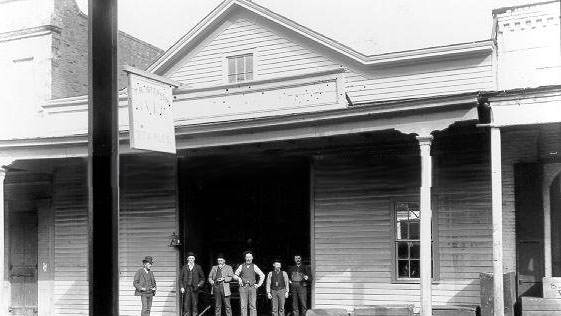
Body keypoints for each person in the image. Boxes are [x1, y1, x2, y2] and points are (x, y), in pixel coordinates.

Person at [234, 250, 265, 316]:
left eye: (250, 257)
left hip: (252, 287)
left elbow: (262, 275)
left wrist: (259, 284)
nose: (248, 259)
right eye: (247, 257)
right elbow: (235, 275)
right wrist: (239, 278)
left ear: (252, 258)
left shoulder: (254, 266)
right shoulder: (241, 266)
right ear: (245, 258)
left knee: (253, 306)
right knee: (243, 306)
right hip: (243, 288)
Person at [180, 252, 205, 316]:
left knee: (195, 304)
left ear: (194, 259)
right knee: (186, 304)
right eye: (190, 258)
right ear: (187, 259)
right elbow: (180, 279)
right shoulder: (184, 267)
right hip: (186, 288)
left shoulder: (198, 267)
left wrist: (199, 285)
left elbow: (203, 278)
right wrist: (182, 287)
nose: (191, 259)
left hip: (195, 288)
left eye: (192, 258)